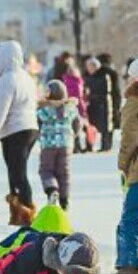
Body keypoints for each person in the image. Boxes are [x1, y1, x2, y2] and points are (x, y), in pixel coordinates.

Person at [0, 40, 40, 226]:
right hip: (30, 128)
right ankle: (19, 212)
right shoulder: (26, 77)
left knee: (17, 173)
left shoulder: (6, 81)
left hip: (14, 131)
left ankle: (25, 214)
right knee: (16, 172)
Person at [106, 55, 138, 274]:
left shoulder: (136, 101)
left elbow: (130, 139)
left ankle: (128, 268)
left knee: (132, 219)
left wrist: (123, 164)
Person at [36, 80, 78, 210]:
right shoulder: (70, 109)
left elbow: (37, 124)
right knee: (64, 172)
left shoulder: (43, 111)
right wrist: (72, 136)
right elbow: (77, 124)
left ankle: (52, 190)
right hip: (65, 144)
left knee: (46, 170)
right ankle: (64, 200)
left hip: (48, 145)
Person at [84, 57, 114, 152]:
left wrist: (92, 94)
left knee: (104, 125)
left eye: (90, 67)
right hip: (92, 104)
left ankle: (105, 145)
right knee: (90, 126)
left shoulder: (104, 76)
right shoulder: (87, 77)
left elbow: (106, 90)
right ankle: (89, 145)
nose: (88, 69)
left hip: (102, 104)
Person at [97, 53, 124, 148]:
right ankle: (108, 143)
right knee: (110, 123)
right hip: (112, 99)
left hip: (101, 100)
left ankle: (105, 143)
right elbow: (116, 90)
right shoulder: (112, 73)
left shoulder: (99, 72)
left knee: (104, 122)